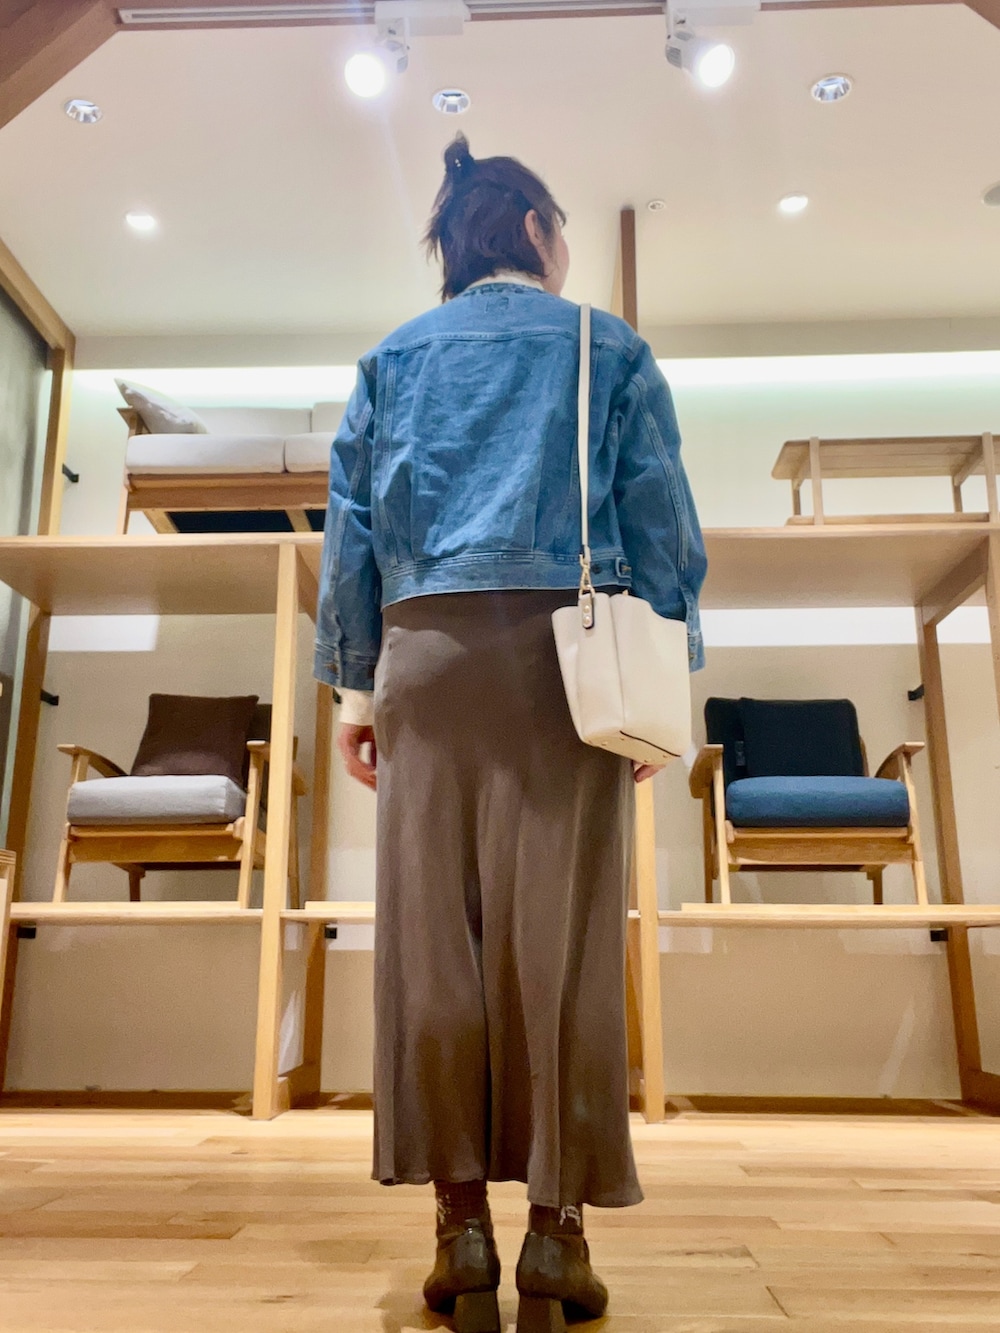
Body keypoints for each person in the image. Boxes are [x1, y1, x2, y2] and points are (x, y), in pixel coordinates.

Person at [315, 133, 706, 1333]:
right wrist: (666, 689)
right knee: (563, 946)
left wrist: (355, 691)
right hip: (567, 664)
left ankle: (459, 1230)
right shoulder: (606, 346)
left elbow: (351, 530)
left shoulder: (390, 359)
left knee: (434, 943)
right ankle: (554, 1234)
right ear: (536, 230)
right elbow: (659, 526)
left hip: (425, 659)